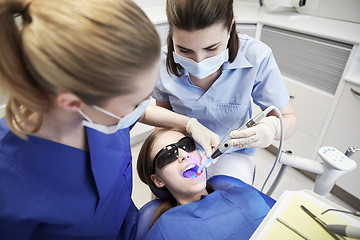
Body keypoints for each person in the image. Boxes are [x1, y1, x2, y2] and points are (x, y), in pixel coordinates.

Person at [0, 0, 219, 239]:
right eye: (134, 102)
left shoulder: (100, 114)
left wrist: (188, 124)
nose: (142, 107)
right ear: (73, 103)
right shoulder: (9, 183)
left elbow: (141, 111)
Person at [152, 0, 297, 184]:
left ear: (231, 26)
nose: (199, 61)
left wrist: (272, 127)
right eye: (184, 50)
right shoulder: (161, 63)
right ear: (171, 33)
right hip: (183, 151)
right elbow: (161, 120)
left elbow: (288, 118)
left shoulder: (257, 56)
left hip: (233, 154)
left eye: (211, 48)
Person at [136, 128, 274, 240]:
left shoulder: (240, 193)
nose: (184, 154)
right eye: (168, 155)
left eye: (187, 145)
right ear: (159, 180)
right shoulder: (165, 230)